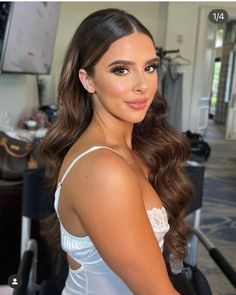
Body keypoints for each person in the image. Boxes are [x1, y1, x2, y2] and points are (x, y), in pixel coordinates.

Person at [40, 8, 192, 295]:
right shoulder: (103, 170)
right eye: (121, 69)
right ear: (87, 80)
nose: (143, 86)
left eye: (149, 67)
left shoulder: (130, 150)